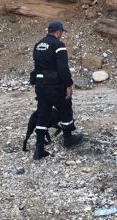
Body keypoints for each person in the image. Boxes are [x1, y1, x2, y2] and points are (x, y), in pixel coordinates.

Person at [30, 21, 83, 160]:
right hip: (55, 85)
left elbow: (36, 67)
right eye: (61, 33)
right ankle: (68, 138)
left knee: (43, 114)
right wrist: (69, 85)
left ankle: (39, 148)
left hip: (40, 86)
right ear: (58, 32)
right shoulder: (58, 45)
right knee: (65, 109)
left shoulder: (38, 45)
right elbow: (62, 68)